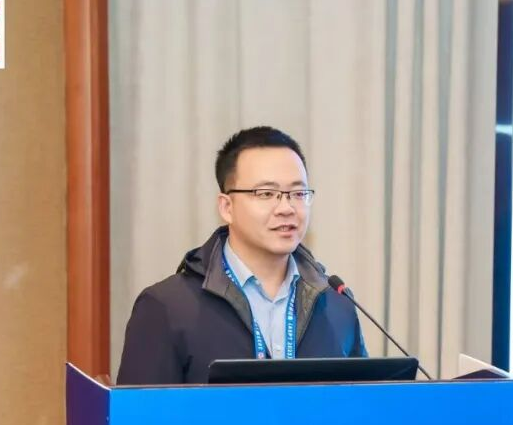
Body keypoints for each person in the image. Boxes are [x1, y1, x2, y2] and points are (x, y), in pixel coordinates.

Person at [116, 126, 366, 385]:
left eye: (298, 193)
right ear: (227, 207)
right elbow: (140, 411)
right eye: (266, 194)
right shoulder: (167, 307)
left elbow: (363, 405)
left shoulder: (337, 305)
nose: (286, 208)